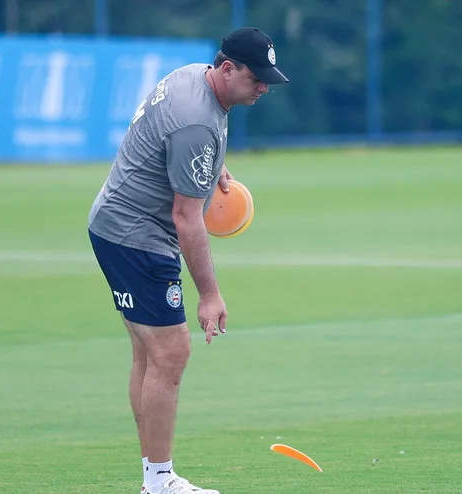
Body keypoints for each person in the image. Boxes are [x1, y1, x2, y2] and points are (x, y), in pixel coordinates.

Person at [87, 26, 289, 494]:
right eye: (256, 77)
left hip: (114, 225)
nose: (262, 87)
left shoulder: (191, 78)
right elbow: (186, 217)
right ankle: (159, 483)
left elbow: (170, 136)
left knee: (150, 353)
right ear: (226, 68)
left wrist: (210, 163)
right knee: (172, 352)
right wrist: (210, 295)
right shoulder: (197, 121)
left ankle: (153, 477)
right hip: (138, 237)